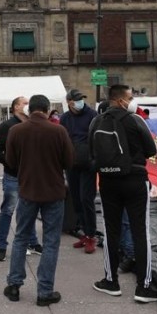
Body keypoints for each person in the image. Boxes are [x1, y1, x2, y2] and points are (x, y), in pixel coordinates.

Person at [90, 84, 157, 303]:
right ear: (121, 100)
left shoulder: (96, 121)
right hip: (135, 180)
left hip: (108, 181)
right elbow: (151, 150)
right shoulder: (135, 120)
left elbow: (92, 152)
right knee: (141, 231)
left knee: (111, 231)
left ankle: (111, 281)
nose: (132, 101)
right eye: (130, 97)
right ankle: (143, 286)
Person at [3, 94, 74, 306]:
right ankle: (44, 291)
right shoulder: (58, 131)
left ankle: (14, 285)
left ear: (30, 109)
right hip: (53, 192)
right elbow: (69, 160)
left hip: (28, 191)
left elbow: (11, 162)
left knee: (21, 238)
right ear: (46, 109)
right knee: (51, 241)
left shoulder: (16, 131)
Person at [0, 96, 42, 262]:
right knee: (8, 210)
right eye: (24, 103)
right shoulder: (7, 126)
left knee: (30, 210)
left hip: (31, 175)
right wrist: (10, 163)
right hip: (13, 176)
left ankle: (32, 242)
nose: (28, 106)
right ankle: (1, 245)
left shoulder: (33, 124)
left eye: (29, 103)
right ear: (15, 107)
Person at [59, 89, 100, 254]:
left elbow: (98, 138)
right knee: (76, 200)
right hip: (72, 164)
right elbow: (62, 139)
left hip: (88, 164)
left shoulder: (93, 115)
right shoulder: (65, 118)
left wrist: (94, 161)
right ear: (69, 102)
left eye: (81, 98)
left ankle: (91, 235)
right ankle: (84, 233)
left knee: (86, 200)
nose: (80, 102)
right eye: (76, 99)